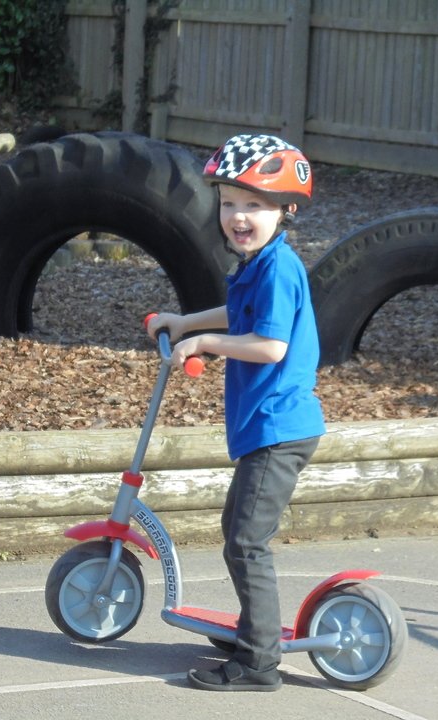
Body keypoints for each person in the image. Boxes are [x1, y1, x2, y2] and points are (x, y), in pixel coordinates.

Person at [146, 134, 326, 692]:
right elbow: (238, 312)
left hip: (278, 428)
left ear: (285, 210)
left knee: (246, 539)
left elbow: (269, 346)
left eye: (254, 204)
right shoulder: (257, 264)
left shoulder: (278, 269)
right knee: (239, 532)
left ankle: (257, 662)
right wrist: (188, 322)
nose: (238, 216)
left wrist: (206, 345)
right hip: (267, 425)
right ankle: (256, 630)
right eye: (229, 203)